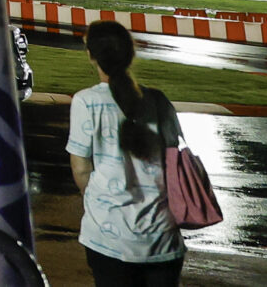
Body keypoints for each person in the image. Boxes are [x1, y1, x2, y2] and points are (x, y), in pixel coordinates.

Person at [69, 20, 185, 287]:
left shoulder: (86, 101)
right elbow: (175, 159)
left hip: (108, 238)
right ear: (131, 54)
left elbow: (81, 168)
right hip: (161, 238)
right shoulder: (158, 100)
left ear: (92, 56)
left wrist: (98, 200)